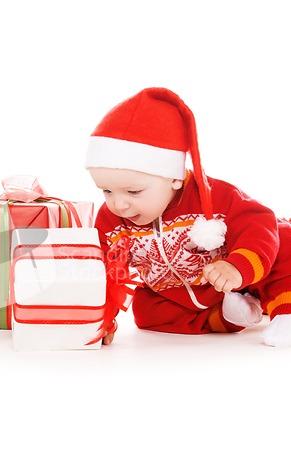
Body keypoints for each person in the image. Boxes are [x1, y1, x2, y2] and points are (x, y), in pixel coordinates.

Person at [85, 87, 291, 347]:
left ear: (174, 177)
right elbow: (103, 269)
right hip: (181, 294)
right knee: (146, 311)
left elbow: (258, 221)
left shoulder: (217, 196)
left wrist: (237, 267)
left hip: (241, 278)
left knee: (282, 238)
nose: (119, 204)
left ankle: (286, 309)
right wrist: (101, 318)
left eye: (134, 191)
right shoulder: (111, 223)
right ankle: (226, 317)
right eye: (106, 191)